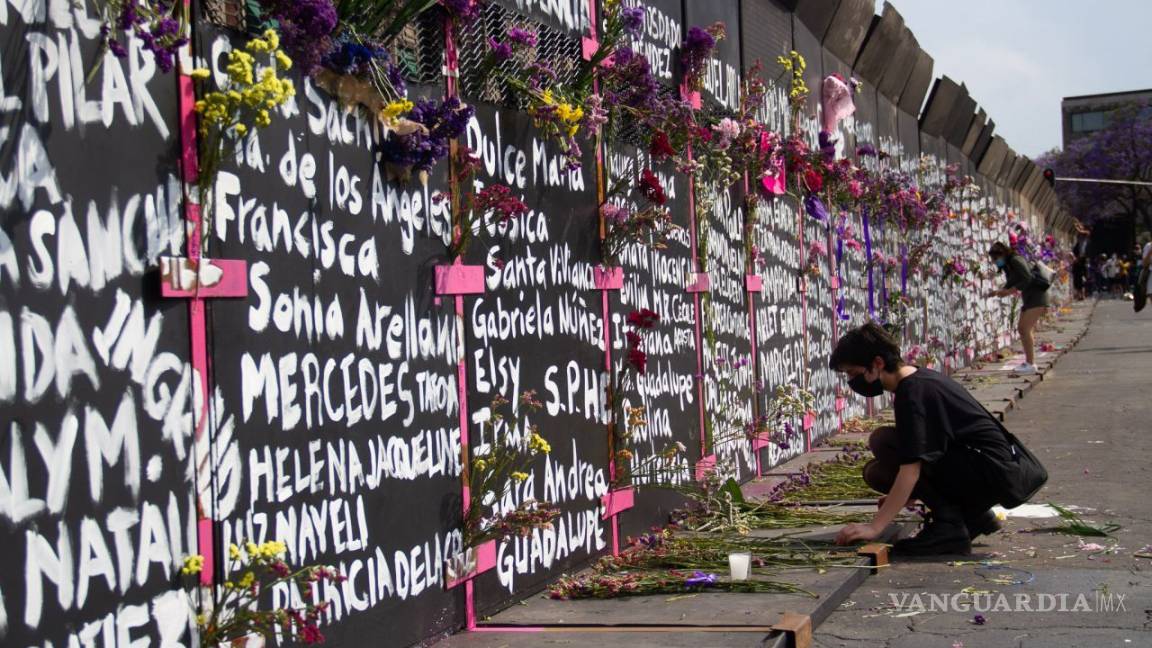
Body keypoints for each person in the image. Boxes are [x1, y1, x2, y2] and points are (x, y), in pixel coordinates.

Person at [829, 323, 1034, 556]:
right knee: (881, 453)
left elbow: (911, 469)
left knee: (882, 450)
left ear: (877, 363)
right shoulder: (919, 380)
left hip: (994, 475)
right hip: (991, 469)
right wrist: (905, 496)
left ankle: (950, 527)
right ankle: (972, 516)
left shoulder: (913, 393)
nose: (852, 382)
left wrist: (874, 527)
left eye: (853, 373)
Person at [986, 242, 1048, 373]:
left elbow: (1027, 278)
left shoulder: (1015, 260)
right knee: (1023, 329)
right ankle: (1029, 362)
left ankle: (1031, 364)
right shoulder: (1009, 264)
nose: (995, 262)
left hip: (1037, 297)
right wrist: (999, 291)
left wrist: (1009, 291)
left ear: (1003, 254)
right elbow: (1013, 281)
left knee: (1024, 329)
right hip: (1029, 297)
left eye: (995, 258)